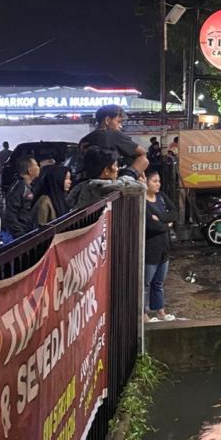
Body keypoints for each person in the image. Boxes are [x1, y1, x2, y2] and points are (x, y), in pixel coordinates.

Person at [144, 168, 177, 322]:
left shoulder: (161, 197)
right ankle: (143, 314)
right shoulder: (142, 202)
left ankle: (160, 311)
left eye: (159, 181)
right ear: (145, 182)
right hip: (150, 248)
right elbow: (151, 226)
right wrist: (167, 224)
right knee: (146, 283)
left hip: (164, 247)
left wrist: (161, 219)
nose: (158, 184)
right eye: (154, 181)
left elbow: (174, 213)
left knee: (158, 283)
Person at [68, 147, 145, 210]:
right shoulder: (98, 185)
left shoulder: (82, 185)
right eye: (115, 165)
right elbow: (140, 187)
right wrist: (129, 173)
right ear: (107, 170)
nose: (117, 169)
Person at [79, 105, 146, 165]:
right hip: (110, 174)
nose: (120, 126)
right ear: (107, 120)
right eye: (118, 122)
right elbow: (142, 153)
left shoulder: (84, 140)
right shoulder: (115, 135)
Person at [2, 156, 40, 238]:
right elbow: (10, 215)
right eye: (36, 165)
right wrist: (21, 236)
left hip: (29, 232)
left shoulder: (30, 186)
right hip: (21, 235)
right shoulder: (19, 187)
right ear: (30, 171)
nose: (39, 167)